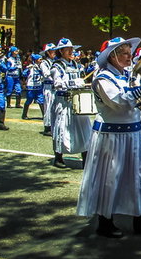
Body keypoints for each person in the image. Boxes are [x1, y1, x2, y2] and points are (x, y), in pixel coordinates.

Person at [76, 37, 141, 238]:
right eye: (124, 53)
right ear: (112, 56)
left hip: (133, 133)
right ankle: (105, 222)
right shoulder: (102, 79)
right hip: (112, 136)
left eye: (129, 52)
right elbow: (118, 102)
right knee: (110, 178)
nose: (129, 56)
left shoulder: (129, 76)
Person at [50, 38, 92, 168]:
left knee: (85, 128)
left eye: (71, 49)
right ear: (61, 51)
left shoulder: (75, 64)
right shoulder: (57, 66)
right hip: (64, 101)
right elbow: (57, 84)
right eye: (67, 49)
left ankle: (86, 158)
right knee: (62, 128)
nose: (71, 51)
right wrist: (73, 83)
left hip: (77, 100)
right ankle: (58, 157)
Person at [21, 53, 45, 120]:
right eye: (40, 59)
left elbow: (44, 74)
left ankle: (44, 115)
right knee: (29, 100)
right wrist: (28, 69)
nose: (41, 61)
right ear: (36, 60)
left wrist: (39, 69)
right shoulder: (30, 67)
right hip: (31, 87)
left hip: (39, 86)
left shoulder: (41, 66)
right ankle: (24, 115)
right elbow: (23, 74)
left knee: (41, 101)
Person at [39, 43, 56, 135]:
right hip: (48, 86)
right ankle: (47, 127)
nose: (54, 53)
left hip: (55, 86)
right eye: (52, 51)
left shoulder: (55, 62)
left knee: (55, 106)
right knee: (48, 106)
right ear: (47, 52)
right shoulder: (44, 63)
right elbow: (46, 74)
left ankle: (53, 125)